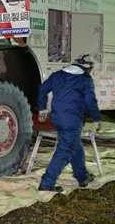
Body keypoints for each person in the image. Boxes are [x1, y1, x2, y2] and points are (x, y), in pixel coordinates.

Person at [37, 54, 101, 192]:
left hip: (57, 118)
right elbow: (90, 101)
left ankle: (82, 177)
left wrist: (42, 108)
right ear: (88, 68)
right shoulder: (85, 79)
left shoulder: (58, 75)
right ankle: (47, 183)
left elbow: (43, 89)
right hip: (72, 120)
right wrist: (96, 118)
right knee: (65, 150)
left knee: (74, 145)